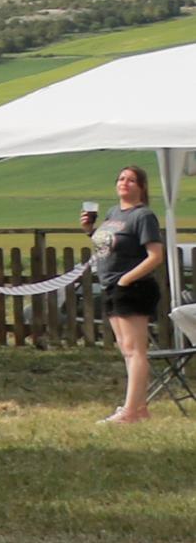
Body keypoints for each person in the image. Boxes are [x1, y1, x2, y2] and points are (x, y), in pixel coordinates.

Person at [93, 165, 165, 428]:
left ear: (142, 187)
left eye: (132, 180)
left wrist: (126, 279)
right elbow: (109, 247)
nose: (125, 183)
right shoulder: (113, 213)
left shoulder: (143, 216)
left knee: (136, 351)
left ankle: (130, 412)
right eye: (121, 178)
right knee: (126, 350)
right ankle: (140, 407)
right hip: (111, 285)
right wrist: (90, 230)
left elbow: (156, 256)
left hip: (133, 288)